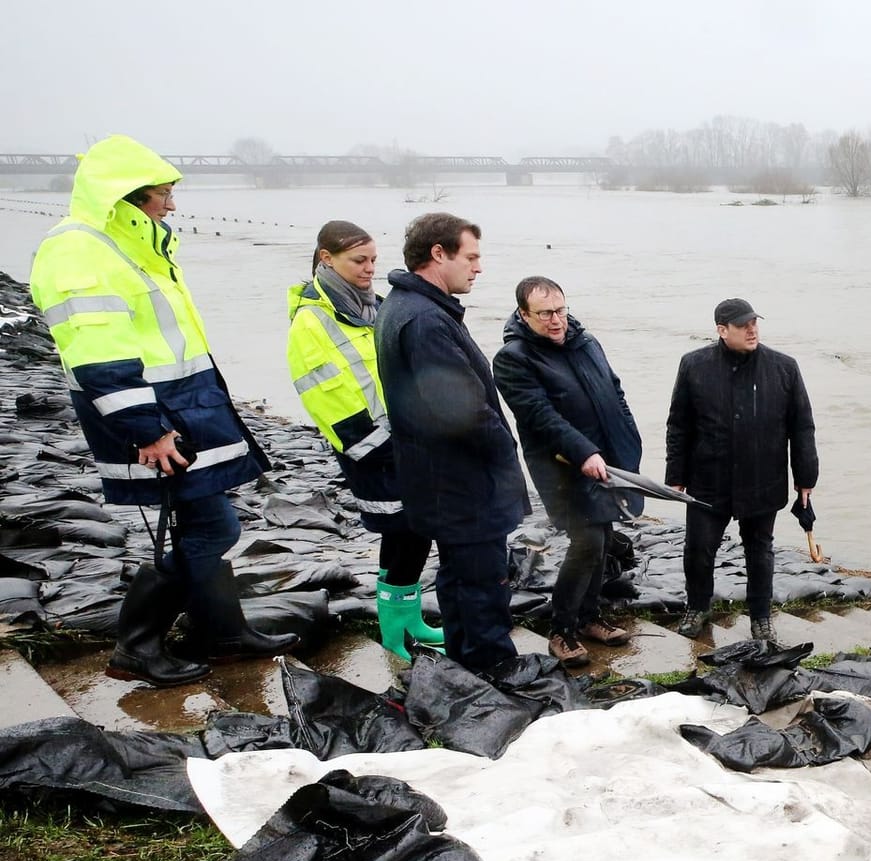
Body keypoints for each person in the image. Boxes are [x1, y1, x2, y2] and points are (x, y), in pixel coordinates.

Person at [28, 135, 296, 686]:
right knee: (212, 528)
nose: (172, 204)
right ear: (130, 194)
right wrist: (146, 430)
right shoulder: (79, 249)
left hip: (181, 407)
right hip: (153, 418)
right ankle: (138, 644)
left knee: (204, 520)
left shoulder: (127, 245)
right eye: (164, 193)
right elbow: (97, 350)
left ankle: (221, 632)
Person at [374, 213, 528, 673]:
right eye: (472, 256)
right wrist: (506, 451)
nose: (478, 268)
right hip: (461, 482)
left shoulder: (403, 307)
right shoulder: (425, 321)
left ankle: (465, 664)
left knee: (460, 577)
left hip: (436, 478)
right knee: (482, 581)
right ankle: (493, 671)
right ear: (438, 254)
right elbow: (461, 412)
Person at [286, 220, 443, 661]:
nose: (370, 268)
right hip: (371, 449)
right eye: (359, 260)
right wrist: (378, 449)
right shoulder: (311, 320)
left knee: (414, 533)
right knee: (400, 530)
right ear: (326, 258)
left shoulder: (368, 305)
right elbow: (325, 395)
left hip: (403, 440)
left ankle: (410, 619)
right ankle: (393, 632)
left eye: (374, 259)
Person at [493, 277, 643, 666]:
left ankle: (590, 618)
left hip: (605, 462)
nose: (556, 320)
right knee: (588, 541)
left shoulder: (586, 342)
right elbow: (540, 417)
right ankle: (561, 630)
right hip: (560, 467)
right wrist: (583, 452)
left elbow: (615, 391)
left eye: (561, 310)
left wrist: (628, 443)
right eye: (545, 314)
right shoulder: (514, 358)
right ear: (524, 315)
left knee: (605, 539)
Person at [665, 298, 817, 642]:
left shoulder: (784, 368)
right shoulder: (694, 365)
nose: (752, 329)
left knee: (760, 550)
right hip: (708, 479)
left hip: (763, 479)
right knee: (699, 549)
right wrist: (676, 475)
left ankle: (761, 616)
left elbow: (802, 426)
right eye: (743, 325)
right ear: (722, 331)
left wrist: (805, 479)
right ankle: (698, 606)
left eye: (754, 323)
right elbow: (679, 424)